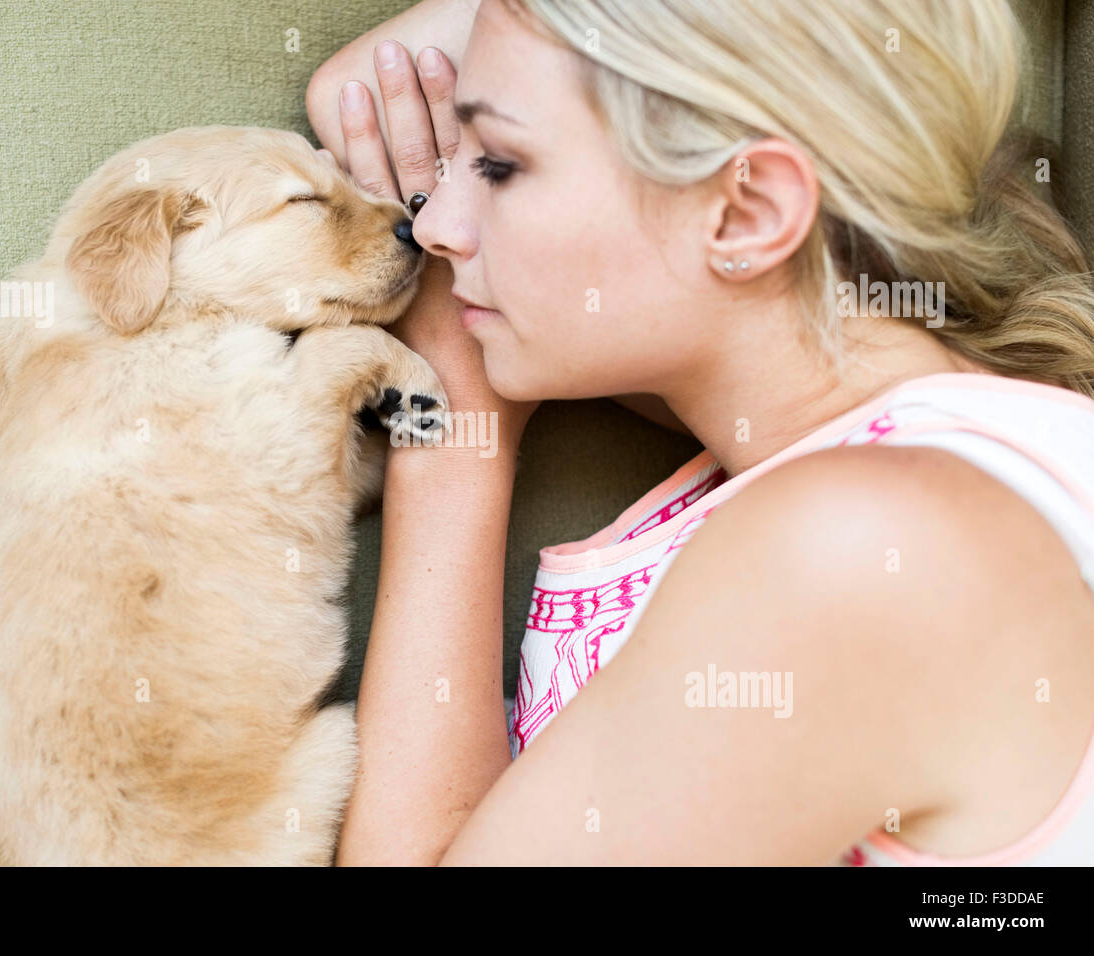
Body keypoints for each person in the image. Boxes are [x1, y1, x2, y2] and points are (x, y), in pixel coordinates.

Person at [305, 0, 1094, 865]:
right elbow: (355, 88)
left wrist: (449, 416)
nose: (435, 228)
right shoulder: (933, 436)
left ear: (748, 213)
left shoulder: (860, 551)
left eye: (499, 164)